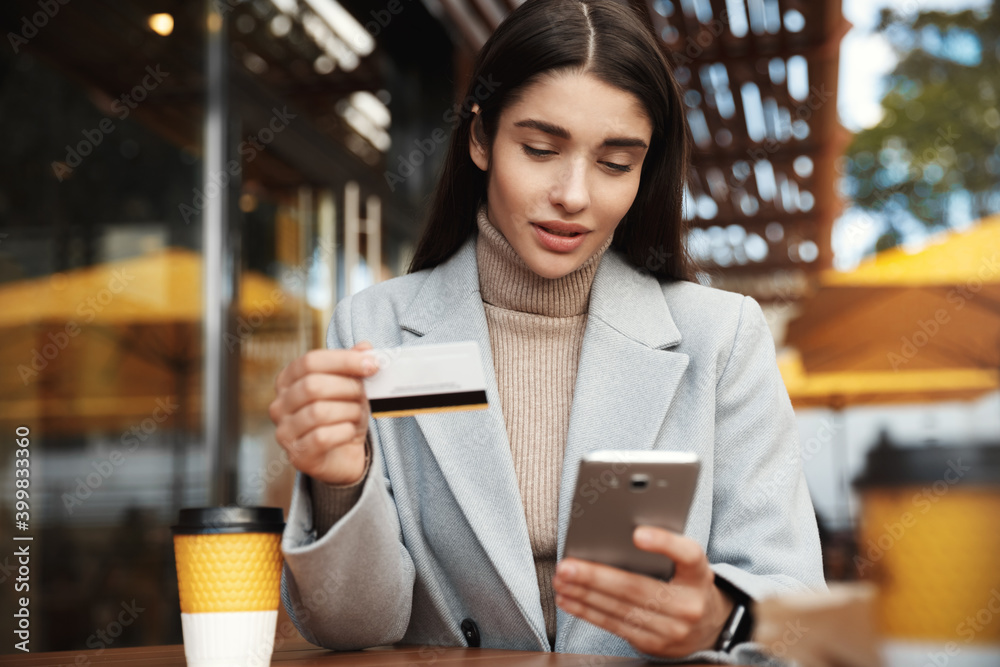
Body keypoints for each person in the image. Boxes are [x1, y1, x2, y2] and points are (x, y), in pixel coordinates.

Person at [269, 0, 826, 663]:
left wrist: (721, 618)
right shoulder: (373, 328)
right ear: (480, 138)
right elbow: (352, 626)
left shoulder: (721, 337)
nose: (573, 194)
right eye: (539, 149)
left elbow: (797, 602)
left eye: (615, 163)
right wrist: (339, 483)